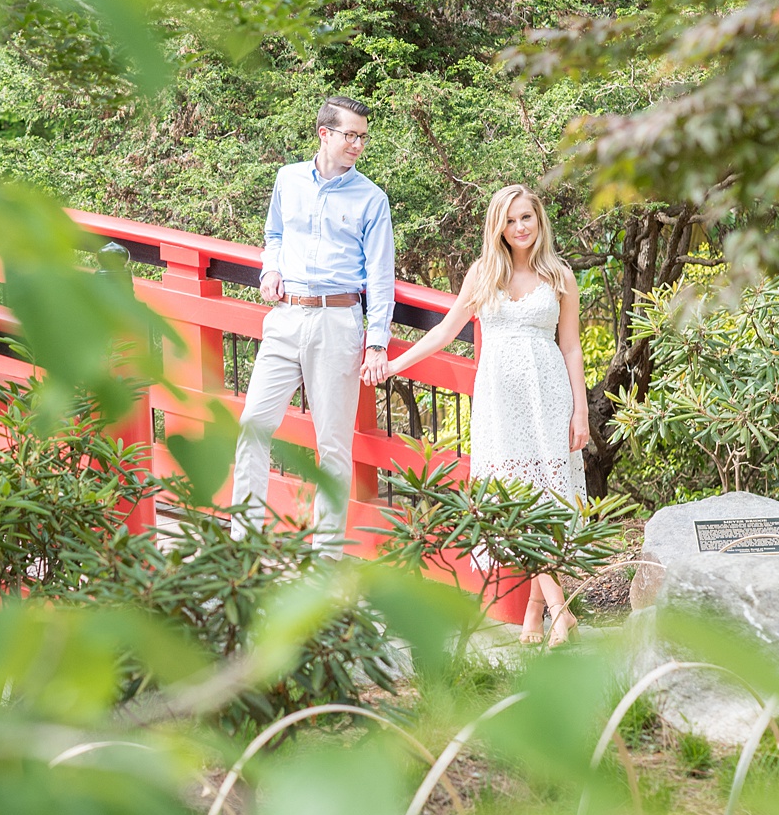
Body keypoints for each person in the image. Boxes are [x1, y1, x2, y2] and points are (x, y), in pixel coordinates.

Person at [382, 184, 589, 646]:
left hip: (548, 397)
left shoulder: (559, 276)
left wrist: (581, 410)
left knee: (546, 500)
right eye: (510, 220)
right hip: (498, 402)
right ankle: (558, 607)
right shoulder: (483, 274)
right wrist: (395, 364)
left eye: (527, 218)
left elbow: (571, 346)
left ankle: (543, 610)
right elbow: (446, 331)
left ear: (540, 221)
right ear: (498, 226)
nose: (520, 228)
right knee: (513, 502)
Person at [232, 95, 395, 555]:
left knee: (334, 446)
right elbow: (275, 235)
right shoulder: (287, 180)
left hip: (338, 321)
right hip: (286, 318)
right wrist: (270, 270)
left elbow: (381, 276)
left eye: (363, 136)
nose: (358, 144)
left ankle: (325, 559)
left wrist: (377, 343)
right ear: (324, 133)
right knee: (253, 425)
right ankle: (241, 546)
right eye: (350, 135)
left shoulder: (371, 199)